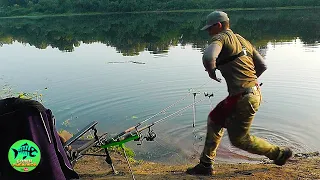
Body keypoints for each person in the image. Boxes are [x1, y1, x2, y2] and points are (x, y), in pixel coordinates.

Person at [186, 11, 293, 176]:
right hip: (249, 94)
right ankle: (206, 164)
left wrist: (211, 70)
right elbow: (262, 65)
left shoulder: (221, 37)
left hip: (243, 97)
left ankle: (279, 154)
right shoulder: (243, 40)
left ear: (219, 25)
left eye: (209, 28)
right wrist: (250, 81)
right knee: (215, 119)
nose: (208, 32)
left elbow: (208, 56)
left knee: (239, 139)